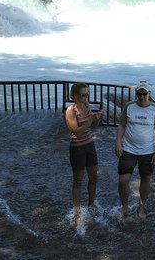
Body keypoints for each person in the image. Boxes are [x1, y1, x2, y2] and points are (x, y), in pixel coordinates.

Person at [115, 80, 155, 218]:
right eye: (139, 94)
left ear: (149, 93)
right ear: (136, 93)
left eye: (144, 94)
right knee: (123, 180)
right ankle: (124, 206)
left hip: (148, 150)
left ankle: (142, 206)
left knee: (146, 178)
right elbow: (122, 125)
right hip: (128, 148)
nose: (142, 97)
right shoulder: (129, 106)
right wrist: (118, 143)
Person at [65, 82, 103, 216]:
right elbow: (77, 131)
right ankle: (77, 212)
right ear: (74, 96)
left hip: (89, 145)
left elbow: (93, 127)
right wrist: (91, 119)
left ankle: (91, 205)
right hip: (78, 148)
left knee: (94, 177)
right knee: (78, 180)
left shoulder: (86, 106)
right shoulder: (71, 111)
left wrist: (97, 119)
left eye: (87, 95)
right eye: (83, 95)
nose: (86, 98)